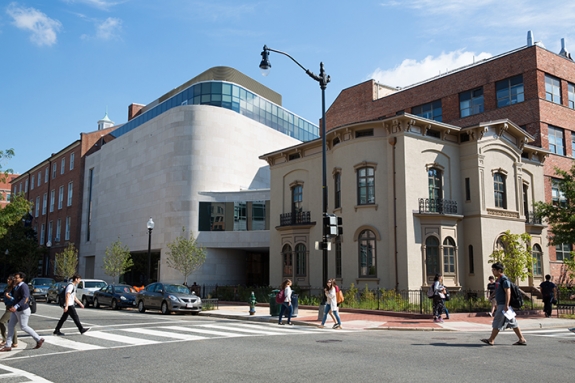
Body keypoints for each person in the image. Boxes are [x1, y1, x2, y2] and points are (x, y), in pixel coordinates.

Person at [481, 262, 527, 346]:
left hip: (503, 305)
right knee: (513, 322)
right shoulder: (498, 280)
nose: (492, 271)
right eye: (492, 269)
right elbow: (497, 289)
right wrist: (491, 295)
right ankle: (521, 339)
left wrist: (506, 305)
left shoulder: (504, 280)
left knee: (497, 321)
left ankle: (491, 340)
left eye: (494, 270)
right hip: (502, 304)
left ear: (499, 270)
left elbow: (508, 292)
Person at [0, 272, 44, 351]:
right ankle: (8, 345)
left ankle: (38, 339)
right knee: (10, 326)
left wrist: (16, 306)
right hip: (15, 310)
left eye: (17, 278)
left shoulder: (24, 286)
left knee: (24, 327)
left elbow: (25, 298)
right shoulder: (16, 286)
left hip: (23, 310)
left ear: (22, 278)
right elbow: (15, 298)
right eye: (15, 278)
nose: (15, 279)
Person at [0, 276, 17, 348]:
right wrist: (2, 300)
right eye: (7, 279)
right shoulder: (7, 289)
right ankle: (15, 342)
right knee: (12, 325)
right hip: (7, 307)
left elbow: (15, 299)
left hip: (11, 308)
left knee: (1, 322)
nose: (7, 280)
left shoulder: (14, 289)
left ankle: (4, 339)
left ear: (12, 281)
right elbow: (6, 299)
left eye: (9, 279)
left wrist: (8, 296)